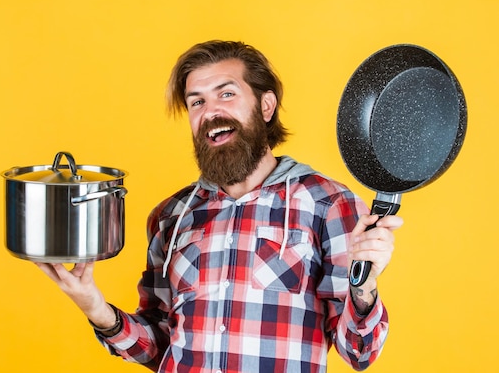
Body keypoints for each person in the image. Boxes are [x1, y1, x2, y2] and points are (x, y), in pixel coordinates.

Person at [36, 40, 403, 372]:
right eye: (197, 101)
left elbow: (359, 353)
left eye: (225, 94)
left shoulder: (329, 204)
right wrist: (95, 308)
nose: (210, 112)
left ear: (266, 105)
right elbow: (159, 345)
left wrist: (364, 290)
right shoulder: (171, 216)